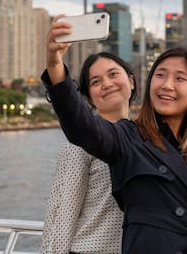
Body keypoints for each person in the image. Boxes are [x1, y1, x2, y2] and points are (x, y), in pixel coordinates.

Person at [42, 17, 187, 254]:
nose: (167, 85)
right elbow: (81, 127)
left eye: (179, 78)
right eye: (160, 75)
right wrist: (55, 64)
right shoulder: (127, 137)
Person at [41, 52, 136, 254]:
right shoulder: (81, 144)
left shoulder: (145, 138)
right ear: (89, 97)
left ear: (131, 81)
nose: (107, 83)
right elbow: (62, 213)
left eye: (113, 74)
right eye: (96, 81)